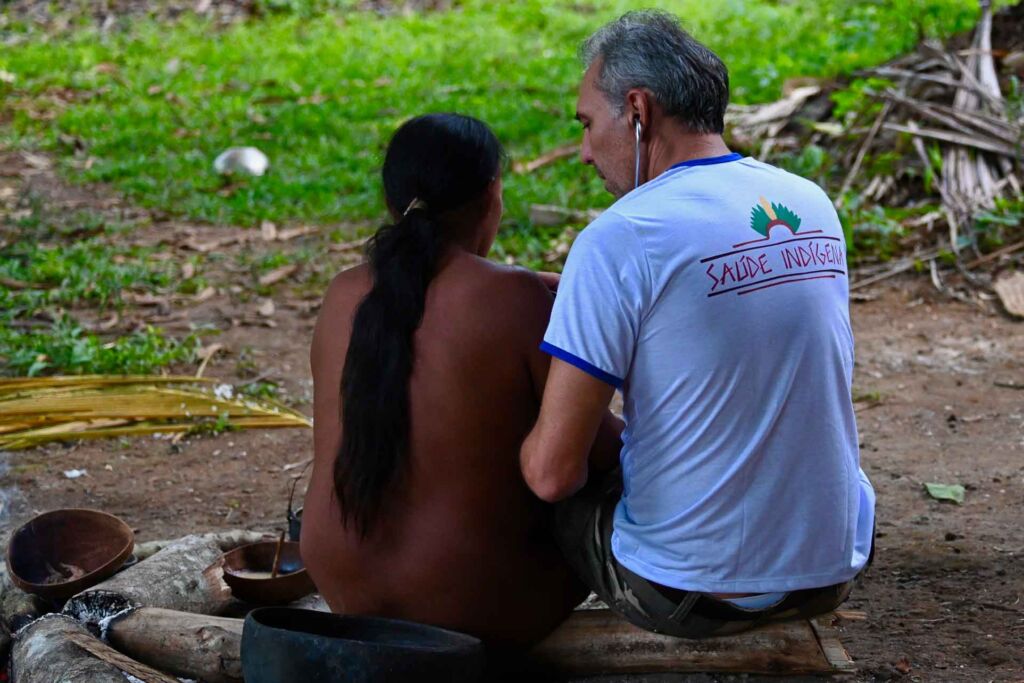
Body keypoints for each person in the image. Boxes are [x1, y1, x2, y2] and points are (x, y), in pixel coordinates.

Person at [519, 11, 876, 638]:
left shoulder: (621, 238)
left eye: (585, 123)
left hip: (684, 595)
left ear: (637, 111)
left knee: (545, 471)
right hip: (830, 570)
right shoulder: (809, 202)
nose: (581, 151)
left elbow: (553, 475)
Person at [300, 113, 622, 651]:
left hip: (345, 592)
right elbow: (603, 453)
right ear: (491, 195)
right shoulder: (512, 298)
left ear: (392, 201)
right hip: (477, 608)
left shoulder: (342, 294)